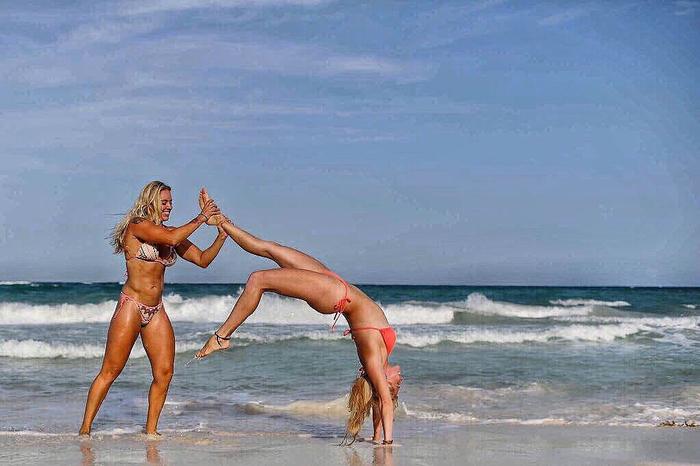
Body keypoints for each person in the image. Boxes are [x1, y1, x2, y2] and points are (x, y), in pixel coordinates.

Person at [194, 189, 402, 445]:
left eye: (397, 385)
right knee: (270, 248)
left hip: (333, 294)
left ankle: (221, 337)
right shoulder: (383, 355)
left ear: (385, 383)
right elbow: (381, 403)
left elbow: (384, 402)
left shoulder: (373, 362)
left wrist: (387, 444)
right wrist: (377, 435)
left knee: (258, 279)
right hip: (336, 283)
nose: (401, 380)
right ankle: (221, 223)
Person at [79, 181, 224, 436]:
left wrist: (222, 233)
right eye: (164, 202)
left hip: (156, 309)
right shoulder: (138, 225)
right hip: (132, 306)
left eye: (171, 202)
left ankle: (151, 432)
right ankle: (84, 430)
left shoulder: (169, 233)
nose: (169, 207)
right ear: (150, 202)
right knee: (111, 371)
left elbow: (203, 260)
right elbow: (171, 238)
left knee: (164, 372)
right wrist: (202, 217)